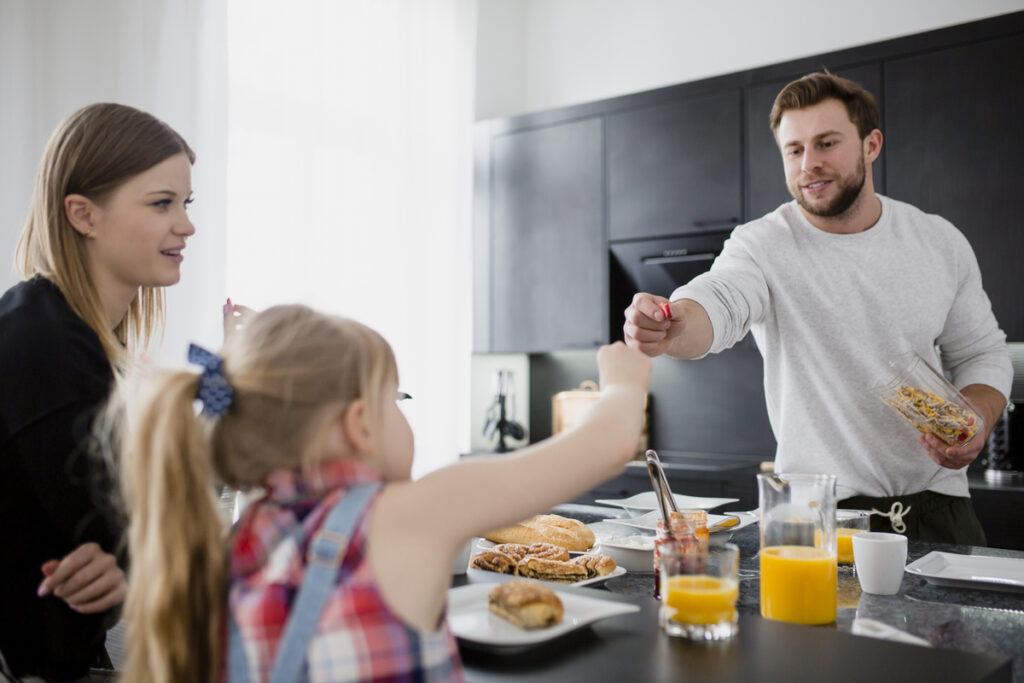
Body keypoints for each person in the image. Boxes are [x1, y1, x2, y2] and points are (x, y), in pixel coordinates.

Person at [113, 304, 650, 681]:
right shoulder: (406, 516)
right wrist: (624, 379)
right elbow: (610, 441)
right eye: (396, 400)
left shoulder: (236, 544)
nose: (403, 414)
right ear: (360, 425)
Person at [623, 72, 1011, 545]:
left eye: (827, 143)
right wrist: (673, 324)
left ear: (871, 145)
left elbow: (982, 352)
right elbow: (719, 299)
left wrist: (980, 419)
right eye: (794, 149)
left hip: (938, 508)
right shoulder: (761, 244)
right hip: (811, 520)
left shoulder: (938, 241)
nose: (809, 163)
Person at [0, 102, 196, 680]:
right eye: (162, 203)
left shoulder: (70, 334)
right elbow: (110, 533)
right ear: (83, 215)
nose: (185, 225)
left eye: (187, 204)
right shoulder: (43, 345)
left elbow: (118, 539)